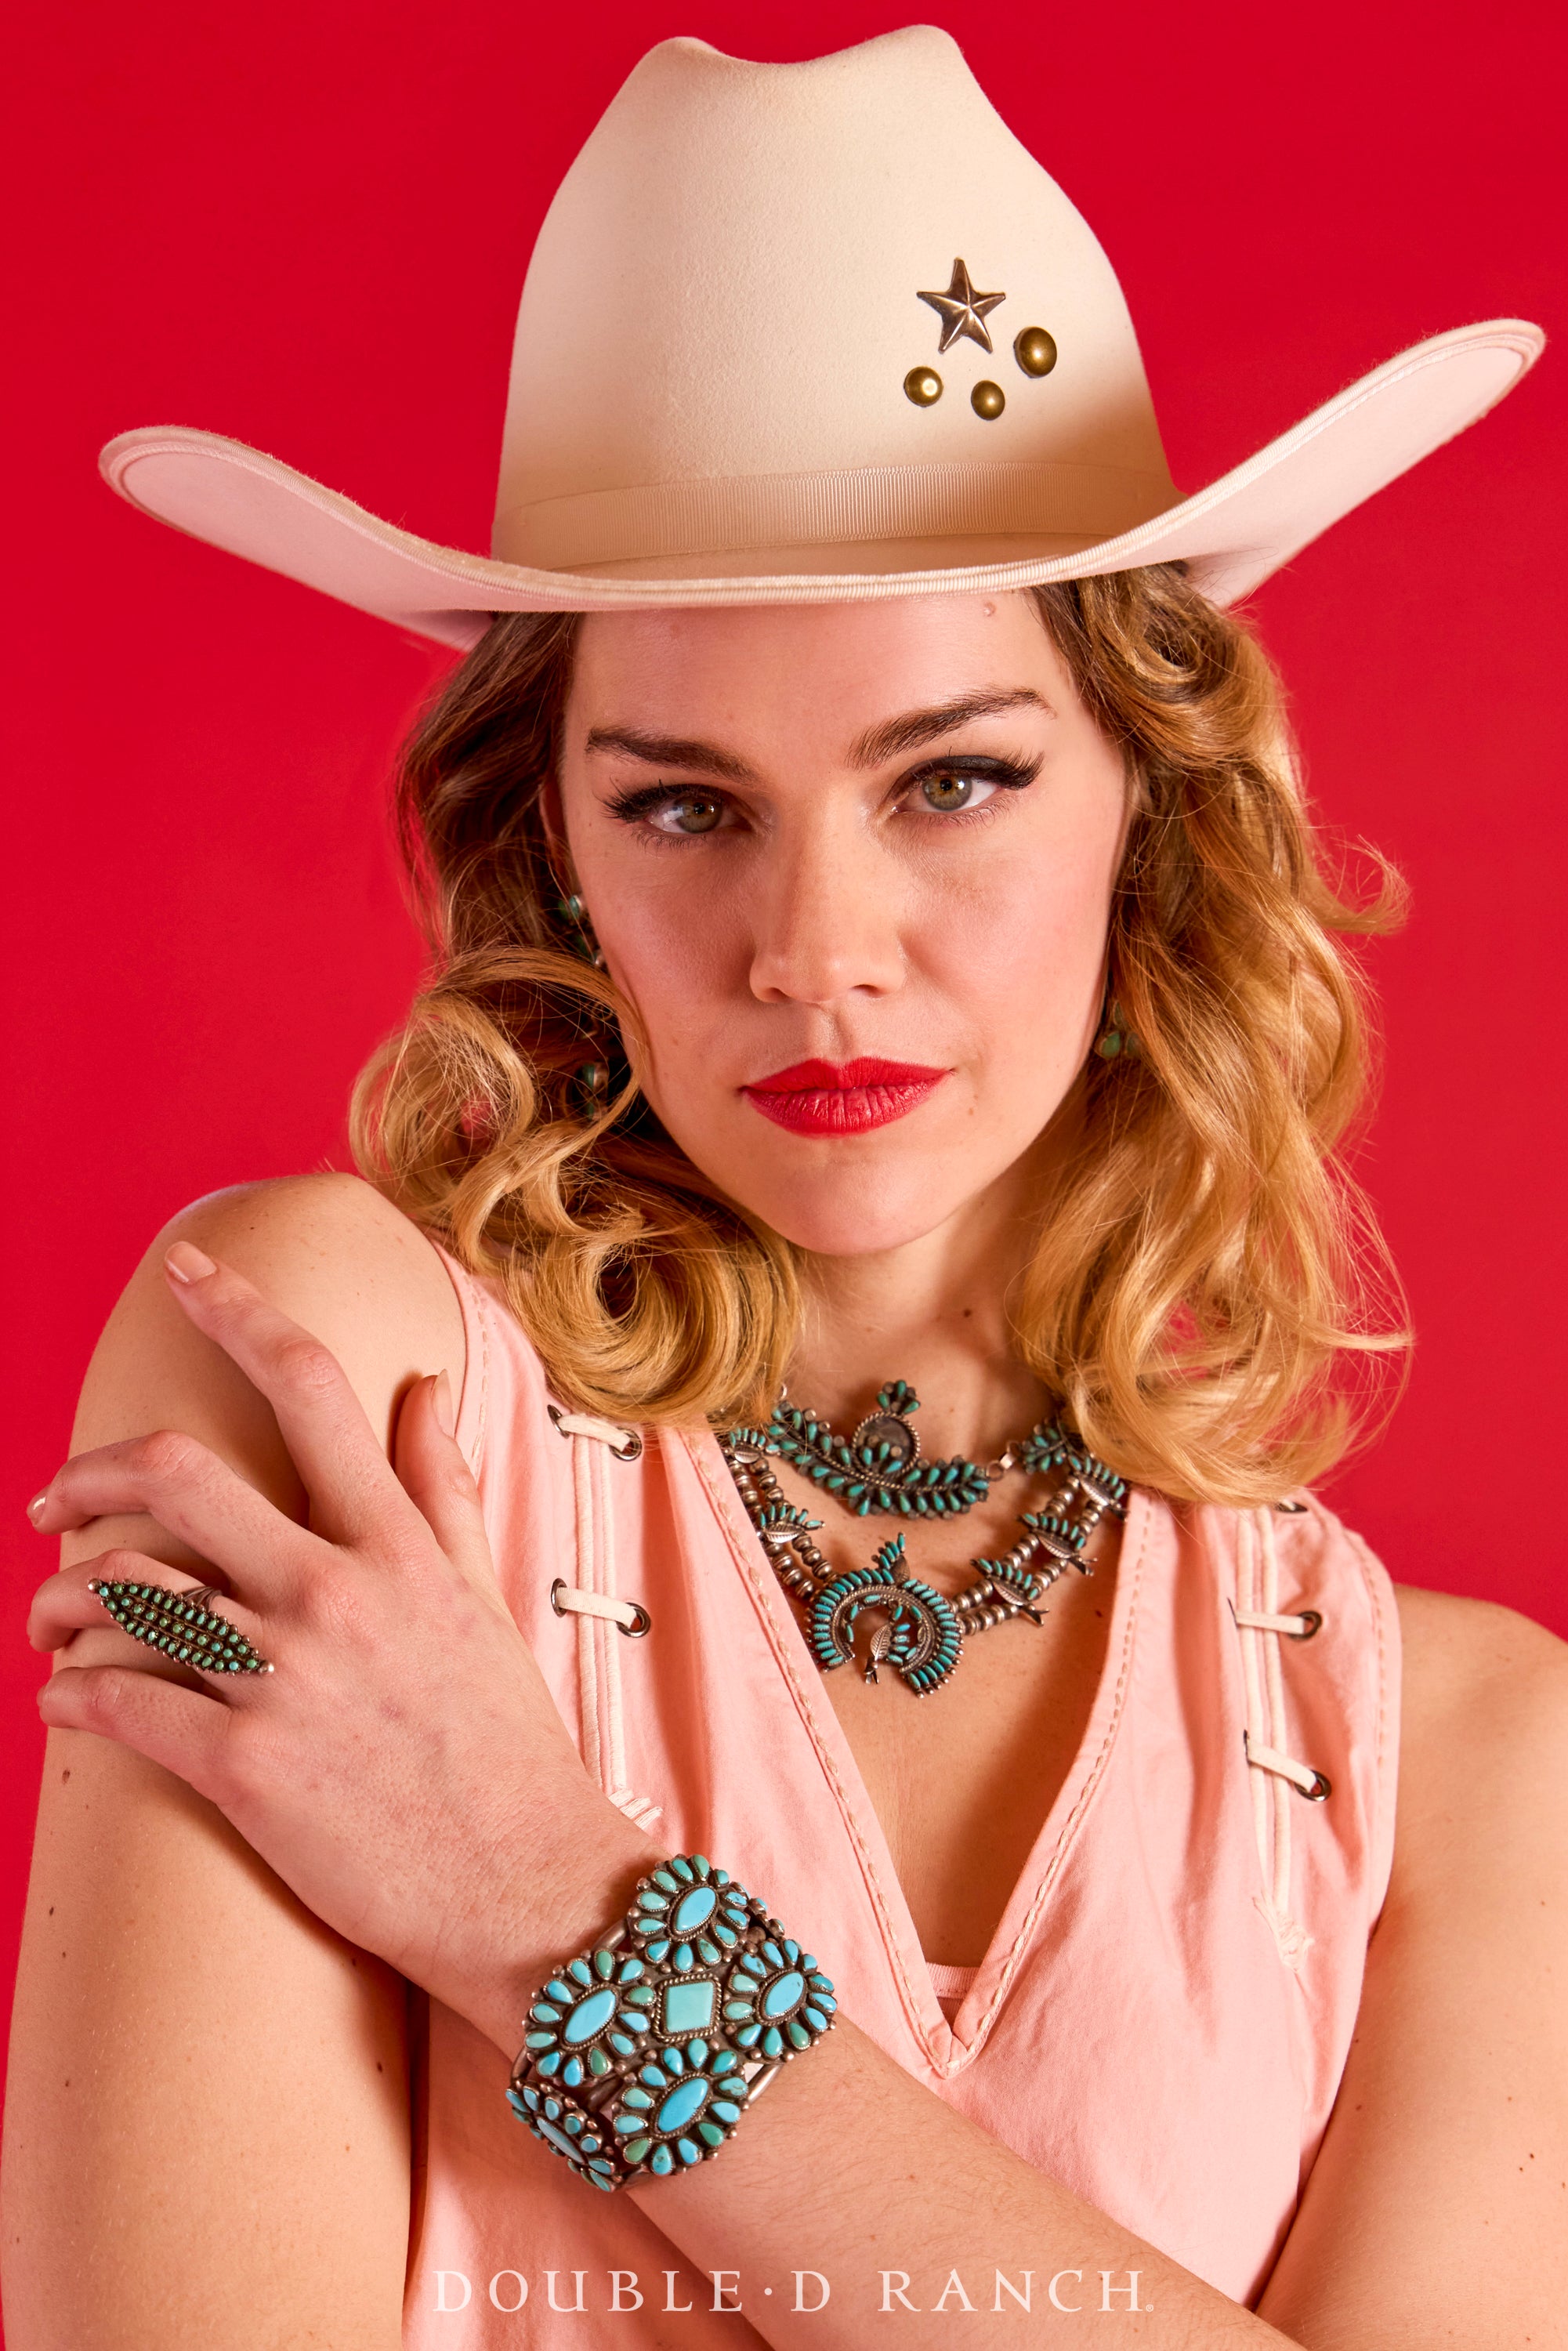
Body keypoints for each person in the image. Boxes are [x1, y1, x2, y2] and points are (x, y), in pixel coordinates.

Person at [4, 27, 1563, 2350]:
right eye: (683, 804)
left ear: (1148, 809)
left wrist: (543, 1900)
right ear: (555, 849)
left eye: (951, 782)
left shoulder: (1463, 1765)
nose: (814, 949)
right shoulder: (336, 1389)